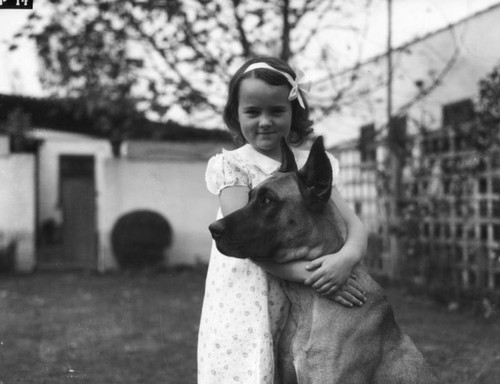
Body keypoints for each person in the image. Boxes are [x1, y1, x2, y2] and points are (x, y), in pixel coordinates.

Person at [198, 56, 367, 384]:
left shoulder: (311, 164)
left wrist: (345, 261)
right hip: (245, 298)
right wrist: (318, 278)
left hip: (299, 299)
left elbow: (355, 225)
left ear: (294, 113)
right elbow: (245, 243)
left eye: (276, 111)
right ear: (236, 115)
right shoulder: (233, 165)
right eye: (252, 112)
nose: (265, 121)